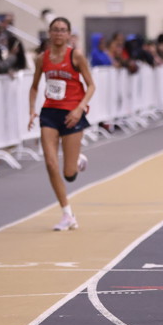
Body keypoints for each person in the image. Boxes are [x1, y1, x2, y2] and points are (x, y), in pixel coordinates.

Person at [28, 18, 97, 231]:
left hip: (71, 114)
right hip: (49, 113)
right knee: (50, 163)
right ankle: (67, 214)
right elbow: (34, 86)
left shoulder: (75, 55)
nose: (59, 33)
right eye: (55, 30)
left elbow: (91, 86)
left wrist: (79, 108)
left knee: (69, 174)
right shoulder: (42, 58)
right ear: (49, 33)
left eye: (63, 30)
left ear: (68, 34)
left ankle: (76, 160)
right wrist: (32, 110)